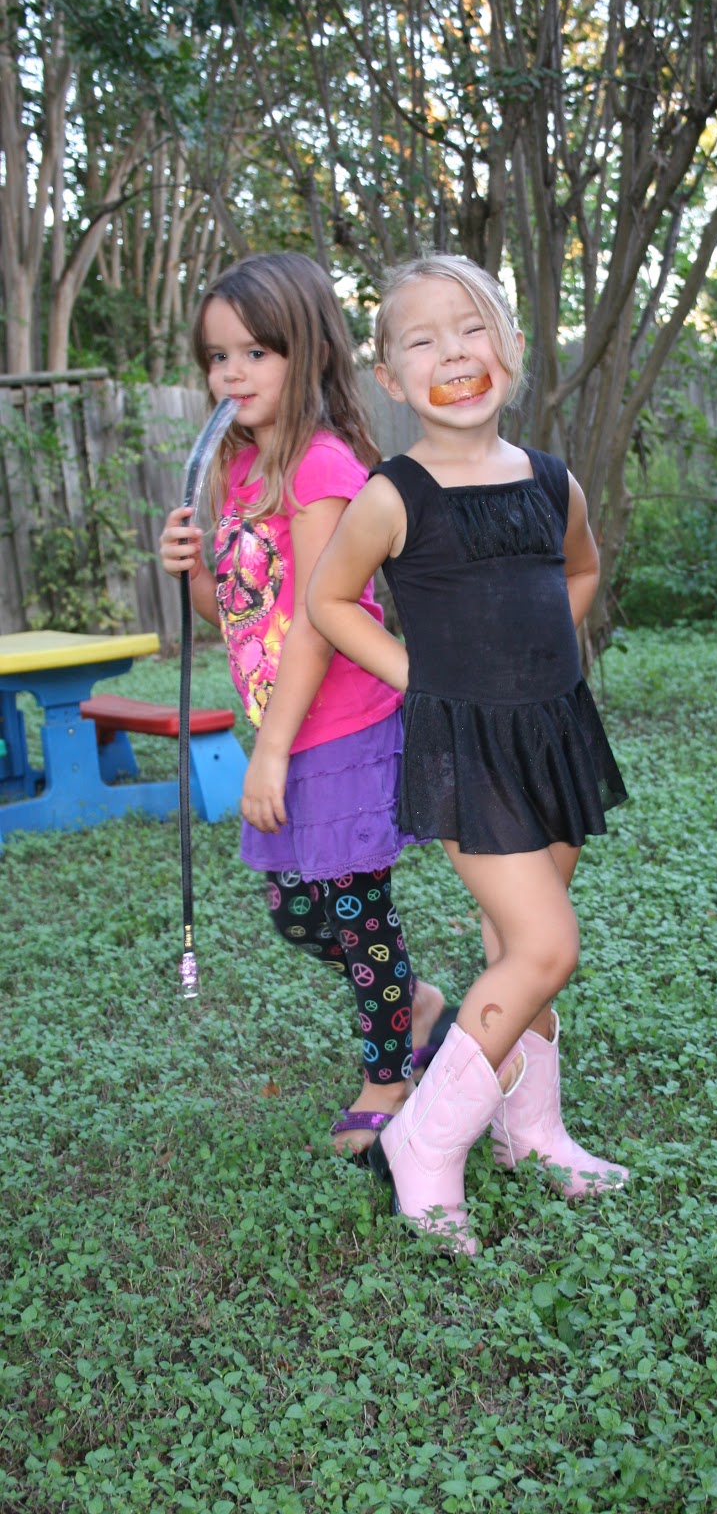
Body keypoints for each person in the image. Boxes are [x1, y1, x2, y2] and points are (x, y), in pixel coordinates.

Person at [306, 253, 629, 1254]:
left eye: (472, 327)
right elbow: (328, 599)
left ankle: (531, 1133)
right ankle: (422, 1145)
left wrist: (537, 658)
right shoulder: (392, 495)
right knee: (546, 946)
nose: (453, 352)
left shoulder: (550, 481)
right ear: (390, 379)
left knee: (514, 951)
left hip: (552, 733)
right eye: (422, 339)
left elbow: (580, 570)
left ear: (511, 349)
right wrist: (421, 674)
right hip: (468, 749)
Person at [158, 251, 453, 1161]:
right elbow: (239, 612)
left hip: (342, 729)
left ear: (308, 353)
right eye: (218, 357)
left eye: (256, 352)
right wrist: (192, 570)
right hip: (290, 726)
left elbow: (321, 625)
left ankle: (387, 1079)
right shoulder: (242, 471)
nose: (232, 374)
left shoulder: (323, 468)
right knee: (297, 913)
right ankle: (417, 1003)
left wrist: (272, 750)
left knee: (357, 913)